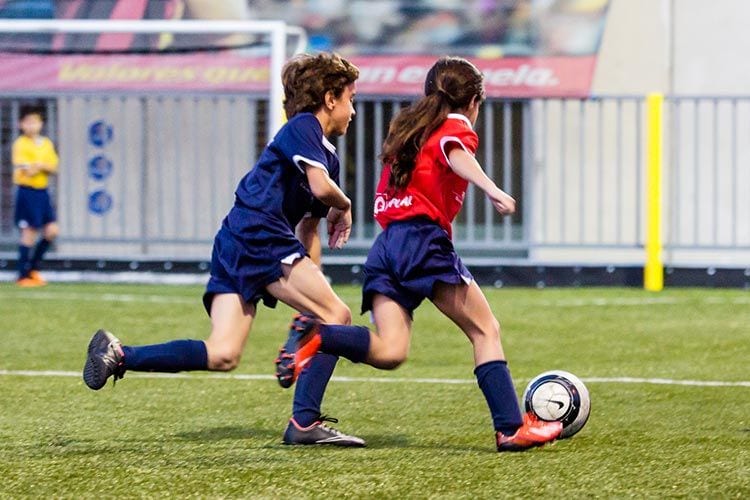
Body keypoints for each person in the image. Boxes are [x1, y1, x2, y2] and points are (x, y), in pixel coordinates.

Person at [275, 56, 563, 452]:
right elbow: (454, 149)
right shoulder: (453, 126)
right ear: (474, 102)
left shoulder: (409, 128)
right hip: (422, 243)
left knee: (391, 351)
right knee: (485, 330)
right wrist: (491, 188)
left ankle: (315, 349)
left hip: (387, 247)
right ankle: (511, 429)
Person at [83, 52, 366, 447]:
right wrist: (347, 205)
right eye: (351, 98)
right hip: (258, 234)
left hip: (238, 242)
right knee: (338, 316)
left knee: (223, 354)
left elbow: (309, 229)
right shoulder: (303, 125)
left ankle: (118, 355)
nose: (353, 110)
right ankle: (304, 424)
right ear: (330, 98)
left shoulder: (326, 158)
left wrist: (308, 308)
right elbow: (322, 192)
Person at [12, 107, 60, 287]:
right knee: (29, 233)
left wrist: (39, 166)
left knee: (52, 231)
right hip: (27, 191)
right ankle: (22, 275)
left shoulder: (46, 143)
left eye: (36, 121)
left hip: (42, 191)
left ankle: (32, 269)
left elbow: (54, 167)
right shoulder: (21, 144)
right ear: (21, 124)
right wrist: (41, 165)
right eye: (28, 122)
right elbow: (26, 169)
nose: (32, 126)